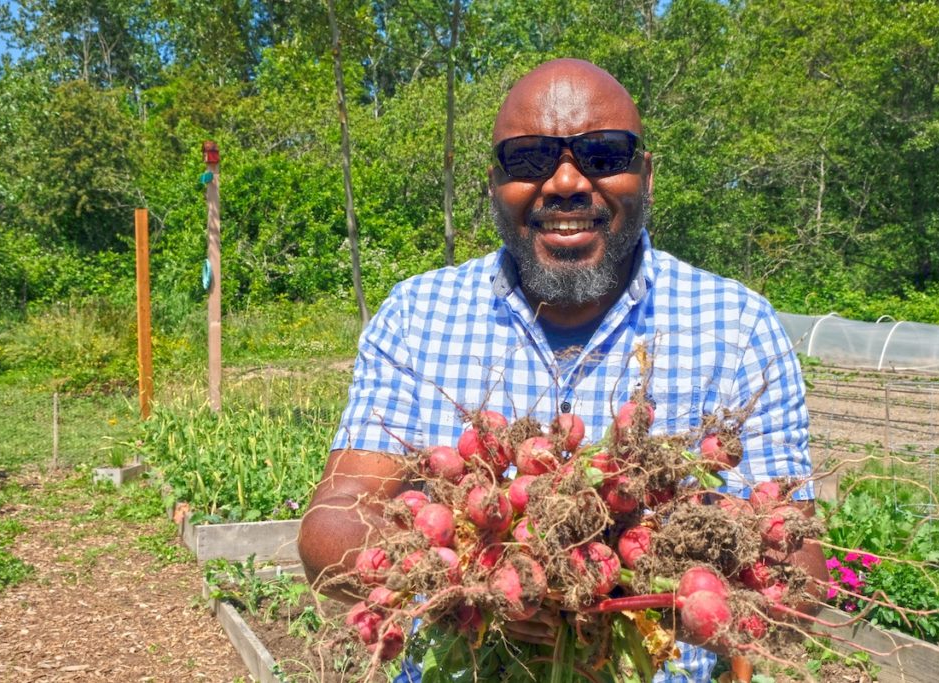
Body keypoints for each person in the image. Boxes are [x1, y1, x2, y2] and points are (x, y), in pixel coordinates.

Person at [298, 58, 829, 682]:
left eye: (603, 155)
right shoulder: (416, 315)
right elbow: (336, 511)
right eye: (530, 158)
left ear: (647, 176)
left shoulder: (737, 327)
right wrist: (473, 575)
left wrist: (636, 595)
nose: (568, 182)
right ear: (494, 182)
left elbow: (803, 576)